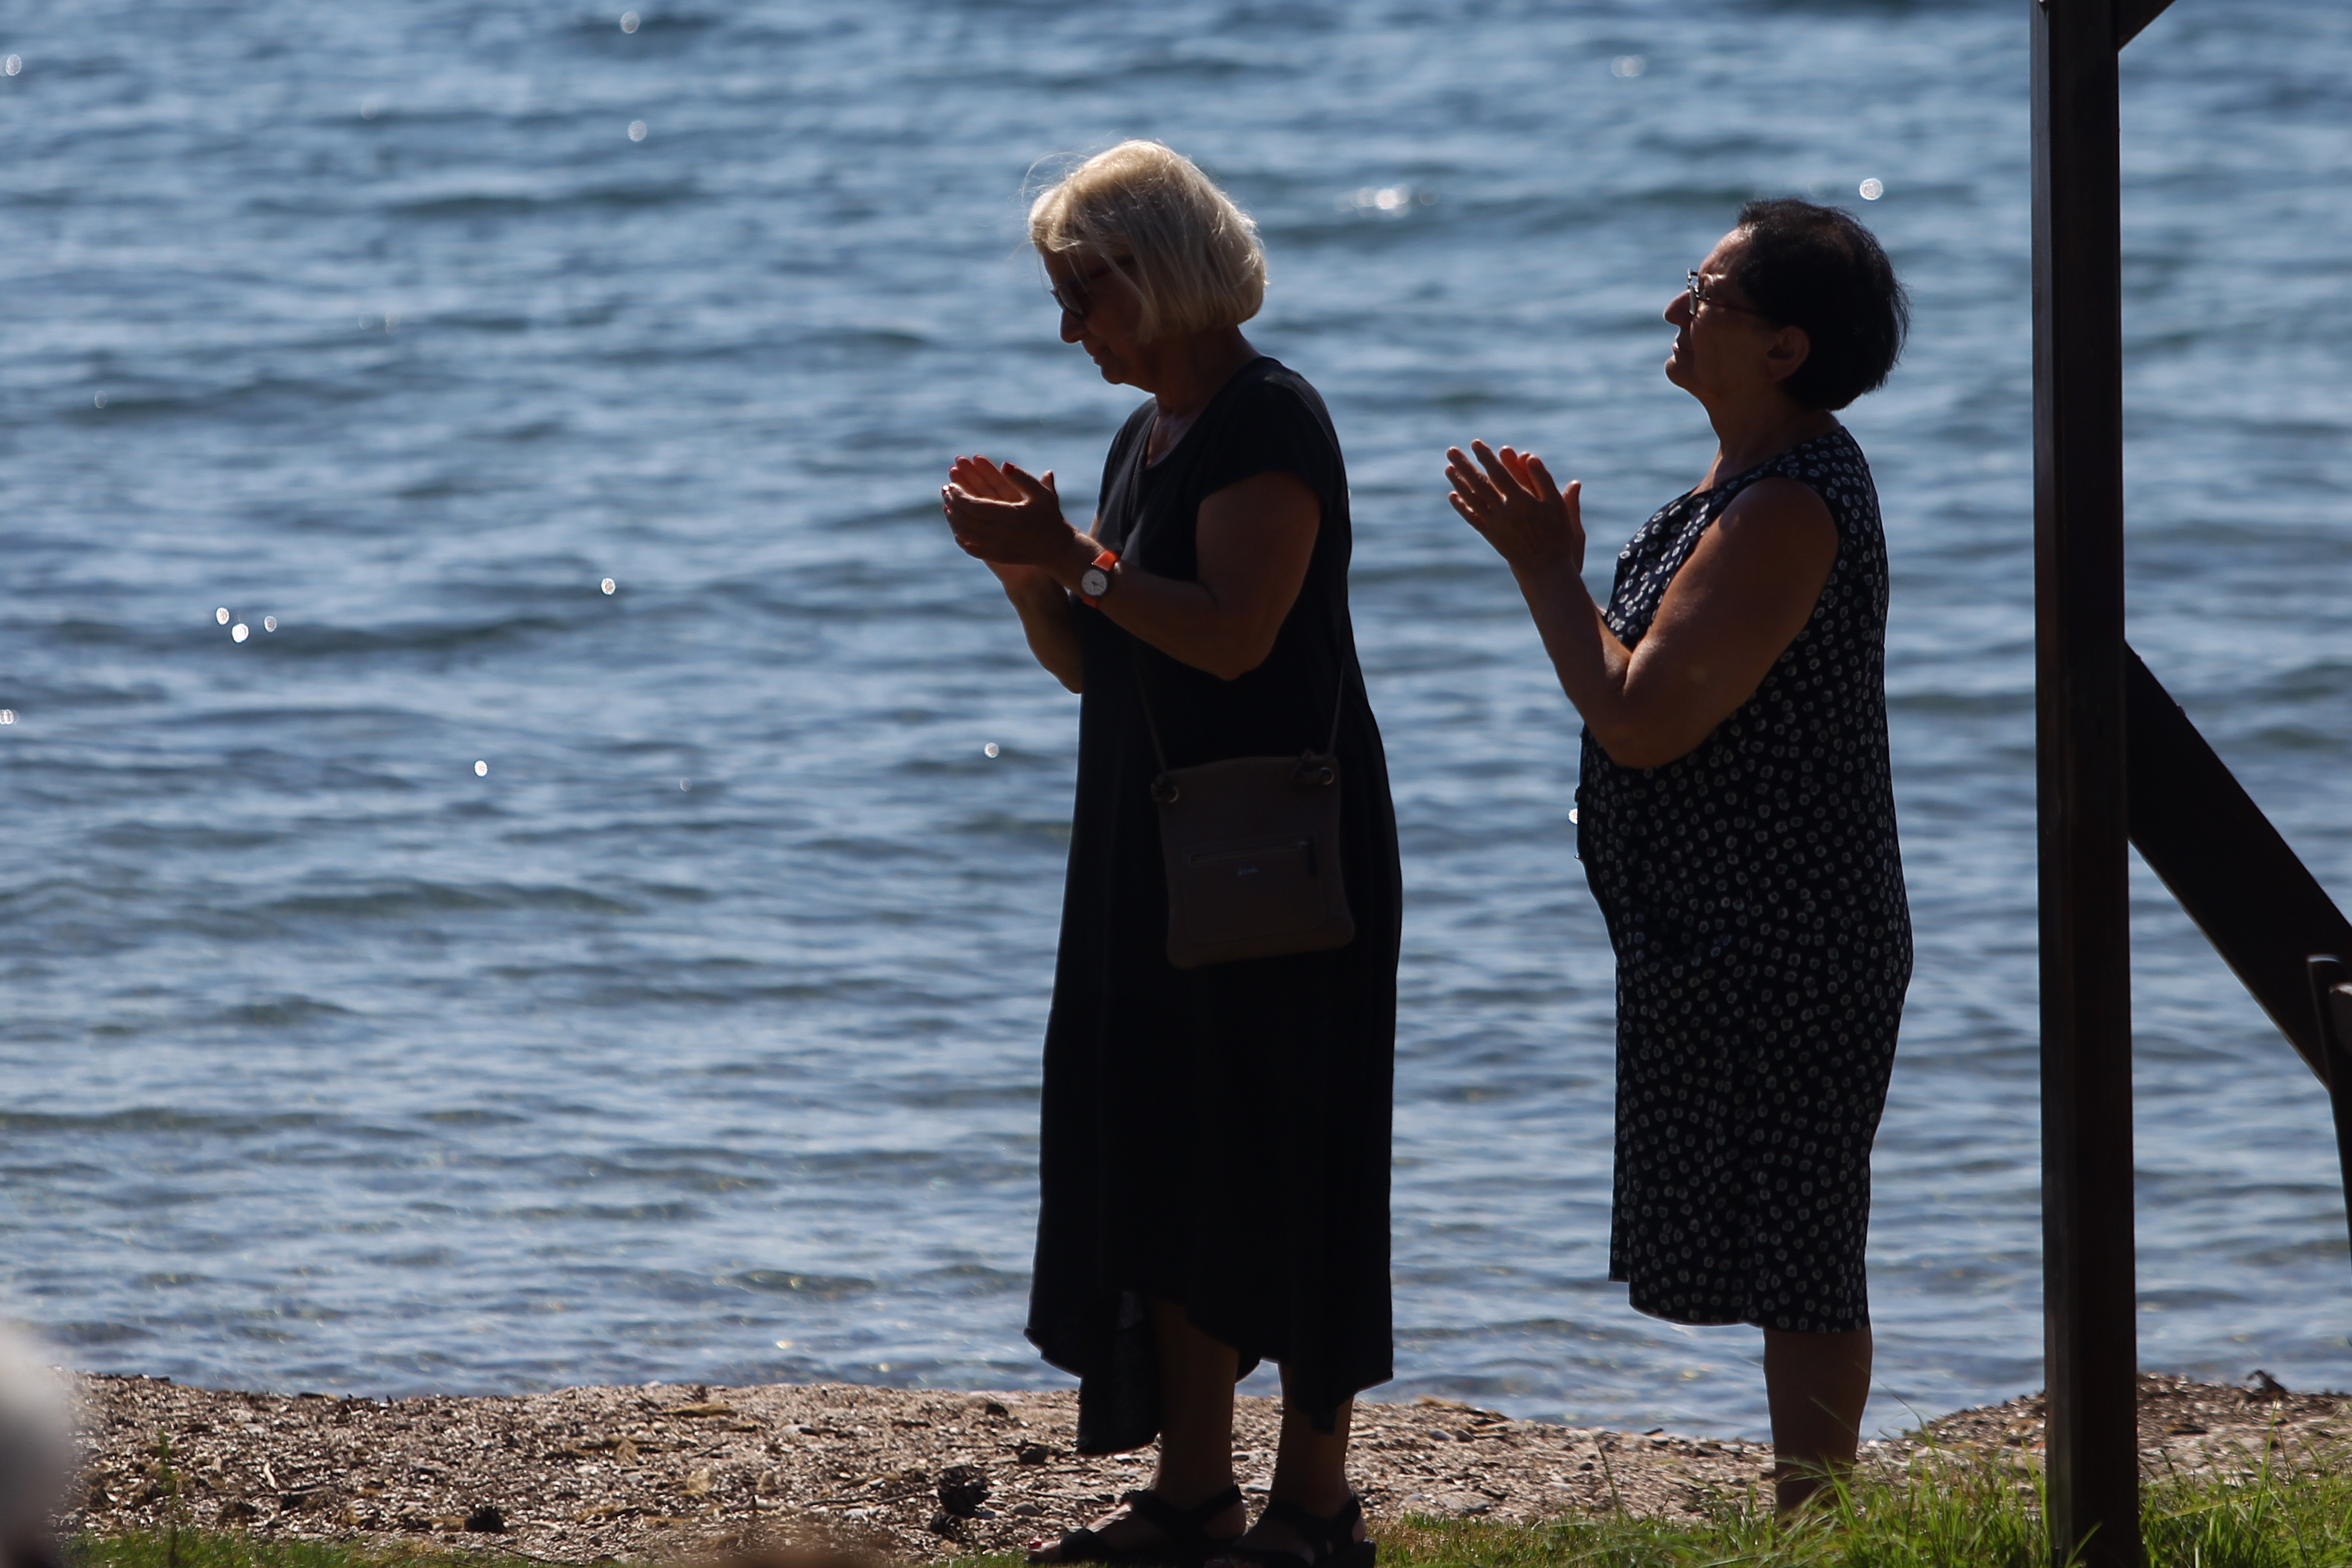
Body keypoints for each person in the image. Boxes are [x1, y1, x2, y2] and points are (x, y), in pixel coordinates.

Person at [940, 141, 1400, 1568]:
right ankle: (1194, 1489)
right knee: (1166, 1150)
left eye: (1083, 294)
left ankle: (1314, 1504)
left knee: (1291, 1156)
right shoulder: (1152, 438)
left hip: (1280, 856)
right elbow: (1104, 663)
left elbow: (1232, 631)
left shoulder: (1269, 420)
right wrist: (1036, 572)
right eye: (1059, 298)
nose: (1068, 326)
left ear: (1159, 275)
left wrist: (1076, 555)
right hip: (1158, 846)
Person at [1443, 198, 1912, 1512]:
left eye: (1706, 292)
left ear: (1782, 346)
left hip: (1791, 928)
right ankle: (1808, 1515)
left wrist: (1547, 572)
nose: (1676, 308)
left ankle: (1815, 1523)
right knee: (1779, 1242)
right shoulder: (1739, 485)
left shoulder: (1791, 504)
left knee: (1805, 1247)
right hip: (1727, 926)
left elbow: (1644, 717)